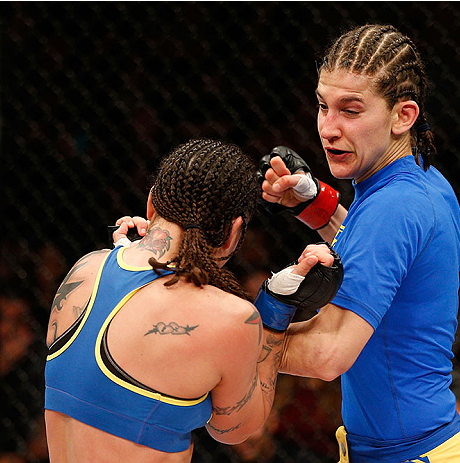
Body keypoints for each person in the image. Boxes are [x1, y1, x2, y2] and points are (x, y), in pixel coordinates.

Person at [256, 24, 460, 462]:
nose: (328, 129)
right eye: (322, 106)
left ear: (403, 115)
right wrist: (314, 205)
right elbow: (378, 258)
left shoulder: (392, 207)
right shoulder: (422, 181)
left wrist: (218, 341)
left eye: (350, 110)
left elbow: (329, 354)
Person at [44, 138, 342, 463]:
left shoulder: (86, 269)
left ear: (151, 204)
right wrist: (274, 310)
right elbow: (237, 429)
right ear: (232, 234)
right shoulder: (229, 317)